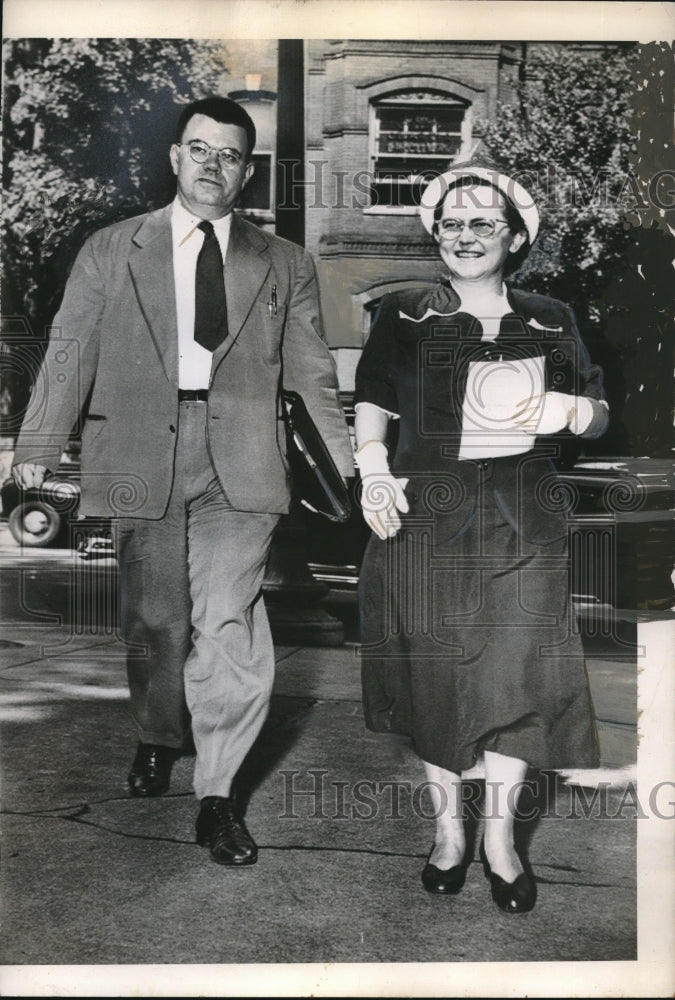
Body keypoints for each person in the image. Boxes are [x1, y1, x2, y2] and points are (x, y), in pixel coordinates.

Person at [12, 96, 353, 867]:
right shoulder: (111, 249)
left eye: (229, 155)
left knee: (229, 623)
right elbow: (70, 347)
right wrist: (36, 441)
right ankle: (157, 735)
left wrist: (352, 470)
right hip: (136, 456)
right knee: (156, 626)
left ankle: (219, 795)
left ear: (246, 169)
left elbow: (311, 376)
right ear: (174, 157)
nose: (211, 165)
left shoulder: (284, 263)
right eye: (198, 149)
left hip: (243, 461)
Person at [353, 165, 608, 913]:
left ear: (515, 237)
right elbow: (371, 400)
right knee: (435, 682)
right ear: (435, 232)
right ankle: (447, 834)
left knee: (515, 682)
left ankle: (498, 841)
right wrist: (371, 471)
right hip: (424, 517)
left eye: (482, 223)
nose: (465, 236)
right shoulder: (402, 312)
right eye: (452, 222)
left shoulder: (551, 316)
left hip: (522, 518)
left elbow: (597, 413)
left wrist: (565, 410)